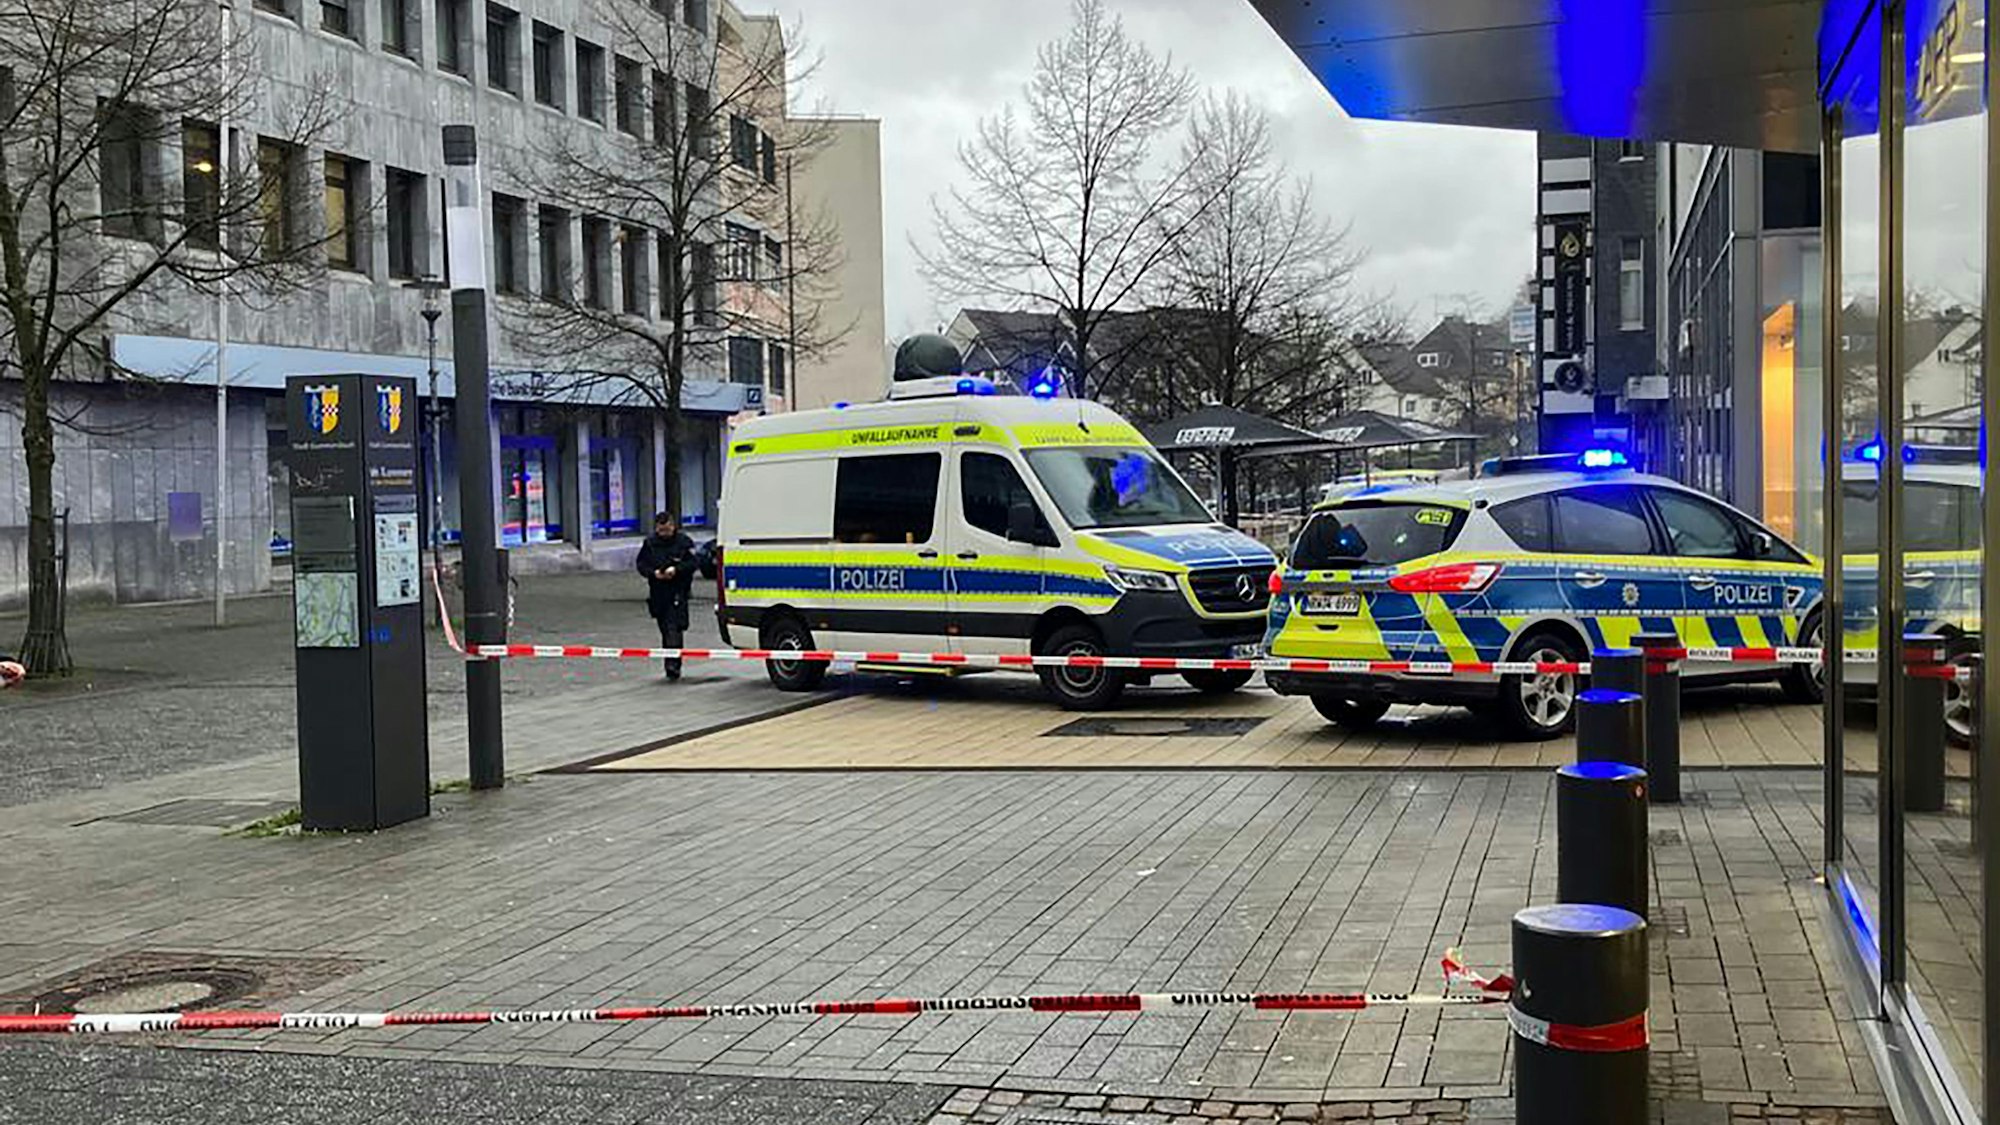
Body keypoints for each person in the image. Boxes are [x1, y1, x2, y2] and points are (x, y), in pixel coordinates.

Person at [636, 512, 697, 680]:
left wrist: (676, 570)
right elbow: (641, 565)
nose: (665, 533)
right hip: (658, 592)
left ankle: (673, 665)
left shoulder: (683, 542)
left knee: (674, 628)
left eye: (667, 529)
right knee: (665, 628)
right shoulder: (650, 544)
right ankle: (671, 662)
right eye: (661, 530)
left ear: (673, 526)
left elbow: (693, 563)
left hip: (678, 591)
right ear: (656, 528)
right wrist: (654, 573)